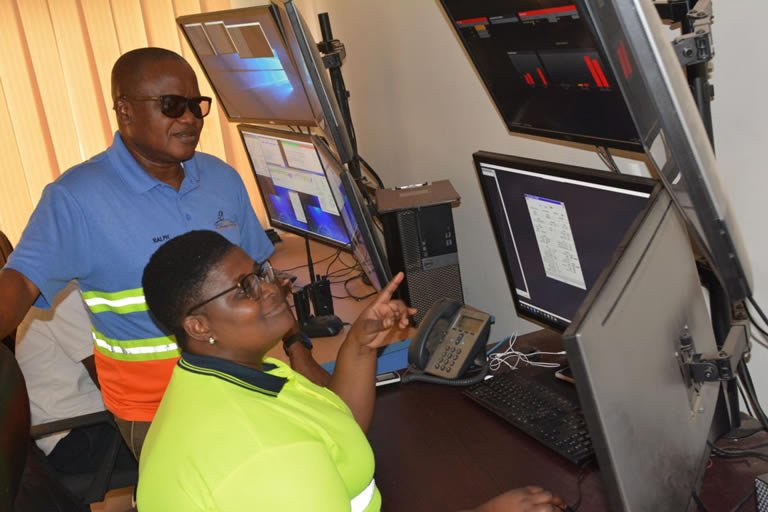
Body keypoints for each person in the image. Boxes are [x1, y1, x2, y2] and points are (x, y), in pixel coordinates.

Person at [0, 47, 327, 460]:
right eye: (172, 105)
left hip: (242, 383)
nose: (189, 119)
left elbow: (264, 281)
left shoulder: (221, 179)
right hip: (156, 409)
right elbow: (20, 281)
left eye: (196, 106)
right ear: (125, 111)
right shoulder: (75, 199)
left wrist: (300, 352)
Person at [137, 230, 565, 512]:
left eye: (261, 274)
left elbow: (338, 425)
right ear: (198, 326)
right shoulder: (260, 451)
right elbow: (285, 452)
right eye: (246, 288)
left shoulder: (224, 374)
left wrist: (359, 345)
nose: (272, 288)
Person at [15, 281, 134, 473]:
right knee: (178, 437)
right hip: (74, 436)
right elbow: (110, 377)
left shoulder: (72, 288)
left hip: (89, 423)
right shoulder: (61, 294)